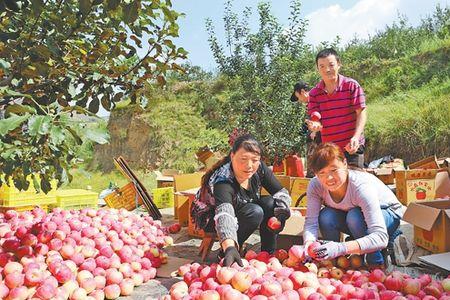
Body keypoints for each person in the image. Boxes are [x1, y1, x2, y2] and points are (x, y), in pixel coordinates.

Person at [192, 134, 292, 267]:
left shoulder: (259, 168)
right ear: (232, 156)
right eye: (243, 159)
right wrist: (229, 247)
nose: (249, 165)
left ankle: (268, 254)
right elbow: (224, 214)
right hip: (212, 217)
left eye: (254, 160)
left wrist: (282, 213)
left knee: (270, 204)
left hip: (240, 205)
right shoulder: (223, 181)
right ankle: (226, 253)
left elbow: (281, 193)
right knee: (255, 212)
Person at [303, 143, 405, 268]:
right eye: (321, 173)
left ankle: (376, 262)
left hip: (387, 213)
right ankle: (333, 262)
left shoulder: (360, 186)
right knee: (326, 216)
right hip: (353, 215)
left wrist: (341, 247)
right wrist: (308, 245)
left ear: (345, 164)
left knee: (355, 217)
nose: (329, 178)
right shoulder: (315, 185)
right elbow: (311, 222)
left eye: (334, 170)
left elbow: (380, 236)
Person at [293, 48, 367, 168]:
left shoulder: (352, 86)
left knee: (354, 182)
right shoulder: (314, 94)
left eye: (331, 65)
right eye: (322, 66)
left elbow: (361, 113)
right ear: (317, 69)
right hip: (330, 150)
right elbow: (315, 117)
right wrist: (315, 126)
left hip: (352, 146)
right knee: (332, 184)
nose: (327, 69)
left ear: (339, 64)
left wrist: (356, 137)